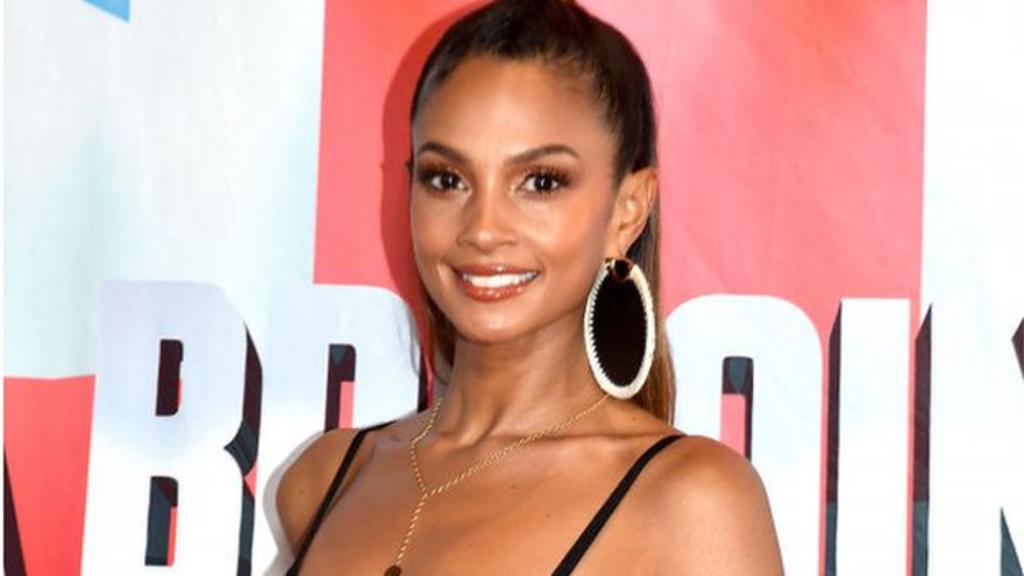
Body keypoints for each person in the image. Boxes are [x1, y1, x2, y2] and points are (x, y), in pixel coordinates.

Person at [277, 0, 783, 573]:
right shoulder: (326, 479)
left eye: (540, 182)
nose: (483, 229)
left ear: (627, 211)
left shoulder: (692, 503)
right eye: (447, 179)